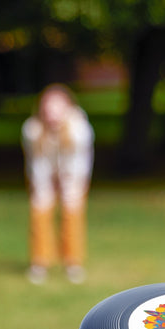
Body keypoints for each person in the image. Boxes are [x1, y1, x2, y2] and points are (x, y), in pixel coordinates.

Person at [21, 83, 94, 284]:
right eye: (48, 107)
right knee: (40, 210)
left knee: (72, 213)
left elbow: (79, 162)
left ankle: (73, 262)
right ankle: (40, 262)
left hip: (73, 175)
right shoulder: (32, 130)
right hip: (43, 175)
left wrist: (67, 182)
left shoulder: (79, 129)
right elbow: (37, 162)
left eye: (57, 107)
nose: (52, 112)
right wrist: (45, 184)